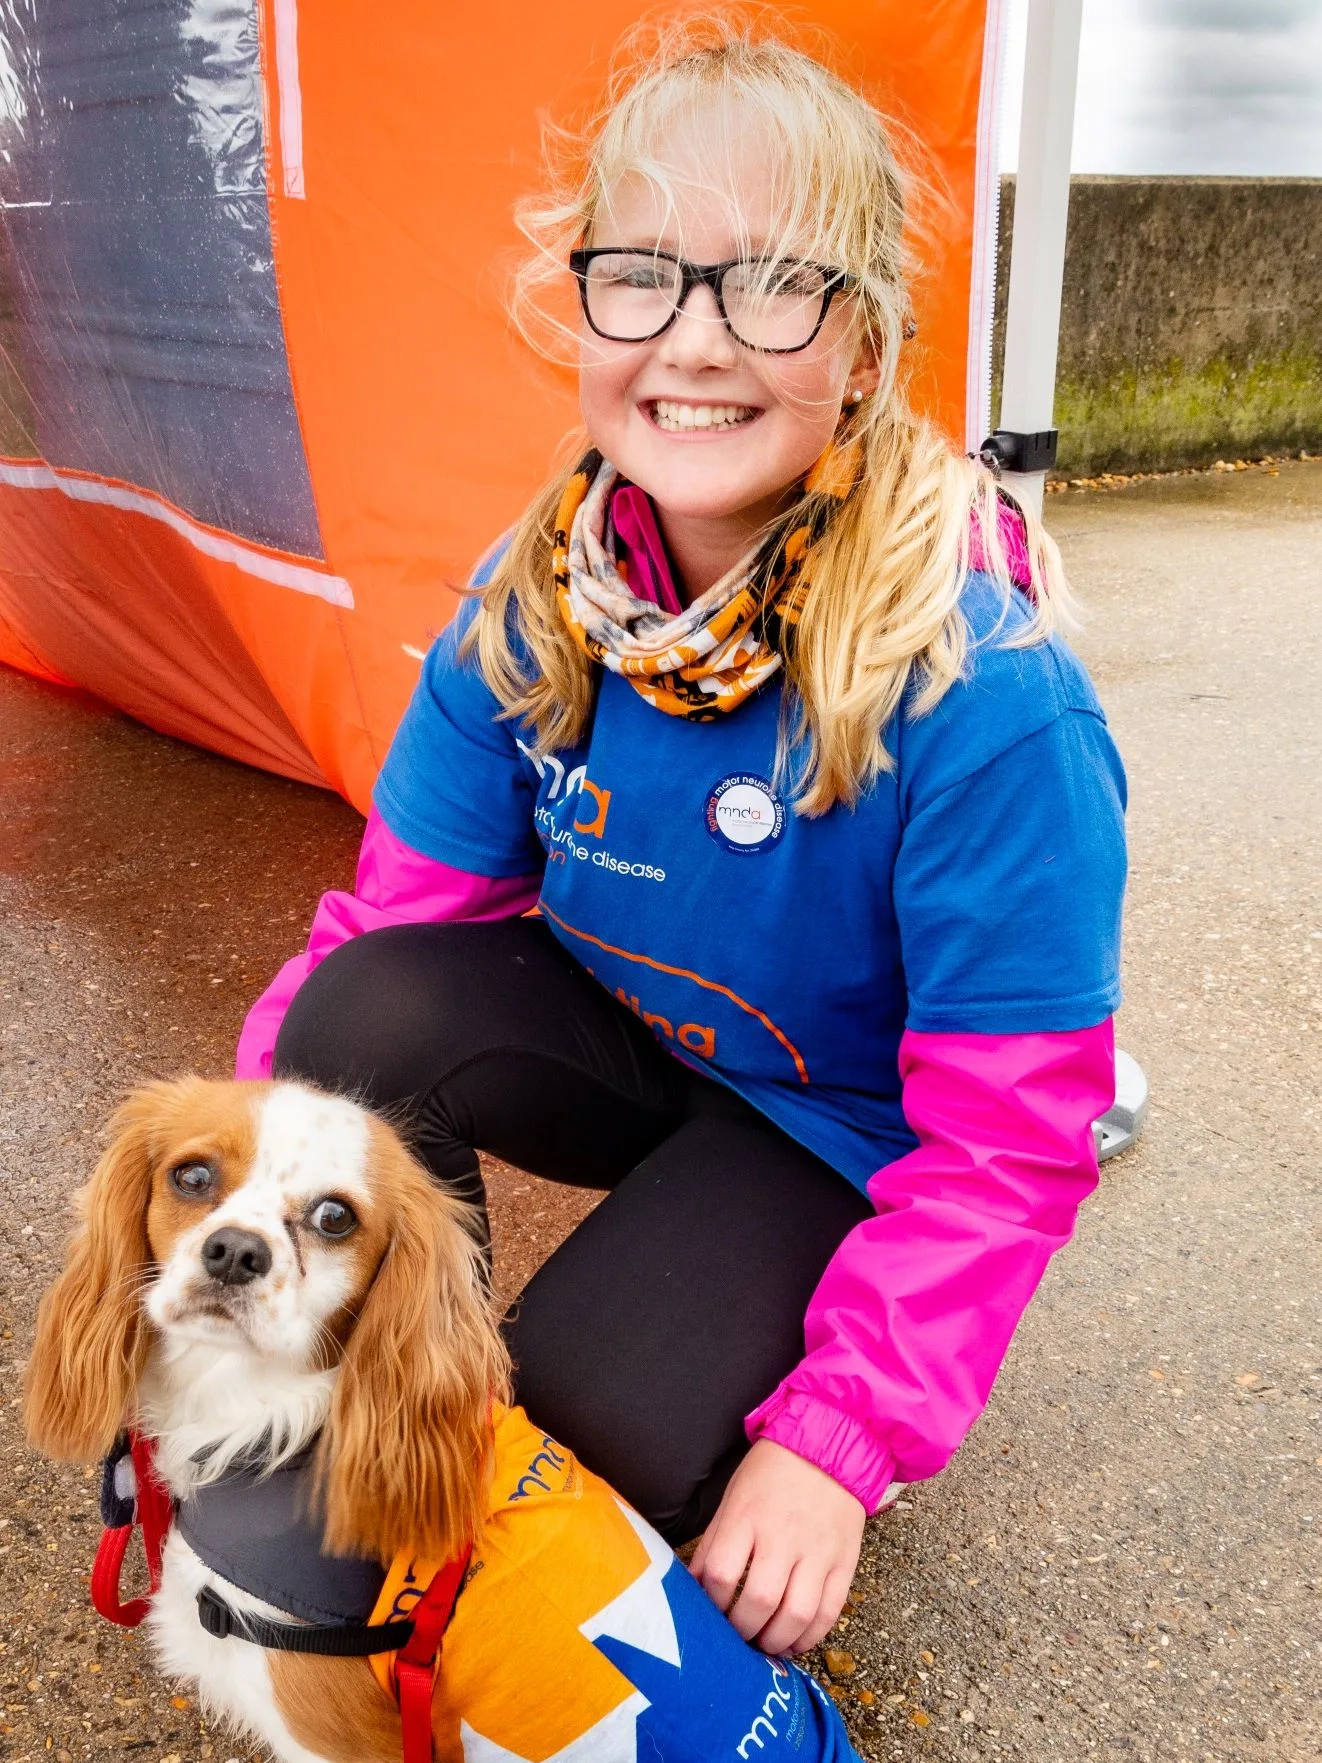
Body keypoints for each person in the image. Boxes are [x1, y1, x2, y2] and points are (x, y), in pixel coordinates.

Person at [237, 29, 1125, 1663]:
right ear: (581, 311)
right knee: (340, 1037)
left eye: (771, 281)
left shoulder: (991, 701)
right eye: (642, 275)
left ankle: (717, 1353)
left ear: (861, 343)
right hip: (641, 1052)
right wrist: (232, 1214)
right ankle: (389, 1394)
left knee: (591, 1435)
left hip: (833, 1130)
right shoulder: (528, 606)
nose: (695, 342)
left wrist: (836, 1441)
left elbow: (1006, 1146)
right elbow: (394, 925)